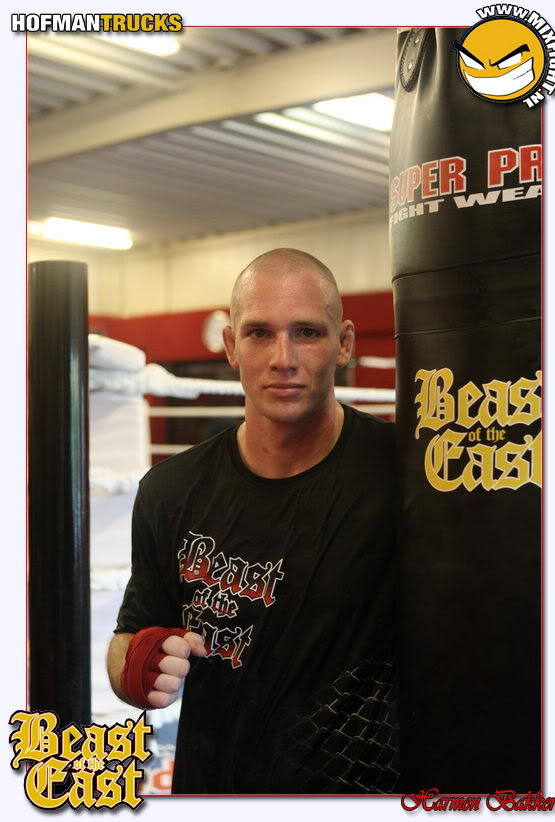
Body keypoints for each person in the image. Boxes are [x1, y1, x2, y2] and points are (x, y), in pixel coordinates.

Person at [107, 248, 398, 794]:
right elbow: (133, 634)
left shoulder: (405, 472)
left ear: (344, 343)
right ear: (231, 346)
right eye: (260, 333)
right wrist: (138, 665)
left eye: (306, 333)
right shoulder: (171, 490)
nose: (282, 358)